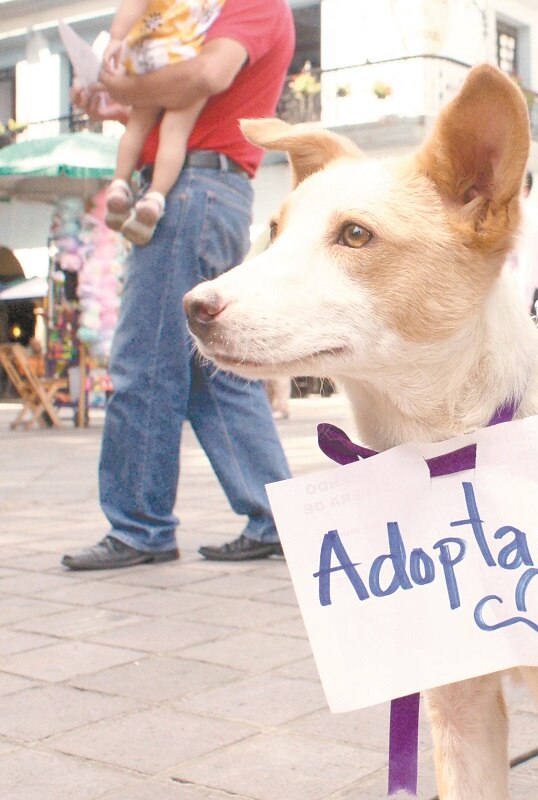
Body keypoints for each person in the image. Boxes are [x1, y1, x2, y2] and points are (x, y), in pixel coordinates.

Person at [61, 0, 295, 571]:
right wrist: (120, 101)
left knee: (146, 362)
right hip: (198, 186)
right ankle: (278, 518)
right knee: (210, 376)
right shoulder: (200, 11)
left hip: (193, 188)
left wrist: (127, 85)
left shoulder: (255, 4)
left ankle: (140, 527)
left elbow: (205, 74)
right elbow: (185, 97)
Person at [102, 0, 225, 245]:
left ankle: (119, 184)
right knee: (175, 132)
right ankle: (155, 198)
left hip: (147, 54)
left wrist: (116, 39)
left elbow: (134, 5)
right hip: (185, 55)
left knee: (137, 126)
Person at [504, 171, 538, 315]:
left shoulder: (528, 219)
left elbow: (528, 267)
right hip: (520, 295)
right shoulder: (523, 216)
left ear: (524, 189)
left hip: (523, 297)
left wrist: (522, 310)